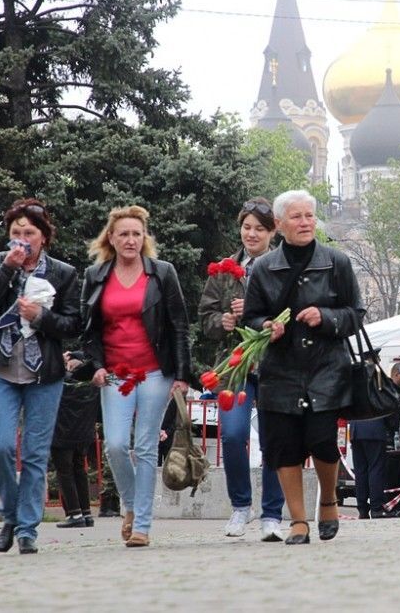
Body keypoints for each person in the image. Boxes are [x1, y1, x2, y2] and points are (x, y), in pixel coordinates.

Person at [242, 189, 364, 545]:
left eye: (309, 215)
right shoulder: (264, 267)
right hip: (280, 369)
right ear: (279, 225)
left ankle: (327, 499)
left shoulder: (336, 262)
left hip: (325, 367)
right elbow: (250, 317)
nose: (305, 222)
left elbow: (355, 314)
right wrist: (267, 326)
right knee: (283, 446)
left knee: (322, 441)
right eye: (296, 217)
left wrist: (325, 317)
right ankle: (297, 520)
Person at [0, 198, 82, 554]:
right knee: (2, 447)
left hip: (44, 375)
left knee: (35, 454)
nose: (22, 238)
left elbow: (72, 324)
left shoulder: (63, 273)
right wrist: (7, 270)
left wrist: (40, 317)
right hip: (1, 370)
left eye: (30, 233)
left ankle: (27, 530)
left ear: (43, 238)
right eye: (16, 232)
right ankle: (9, 514)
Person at [82, 205, 192, 548]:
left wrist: (182, 374)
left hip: (155, 371)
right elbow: (89, 331)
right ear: (111, 239)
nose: (130, 240)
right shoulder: (96, 275)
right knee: (115, 444)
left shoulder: (162, 273)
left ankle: (142, 524)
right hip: (116, 374)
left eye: (136, 233)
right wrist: (96, 365)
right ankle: (129, 506)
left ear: (144, 238)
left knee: (145, 447)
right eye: (124, 234)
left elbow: (179, 326)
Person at [198, 197, 285, 541]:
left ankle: (272, 514)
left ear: (272, 231)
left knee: (275, 440)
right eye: (247, 227)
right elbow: (205, 321)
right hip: (235, 366)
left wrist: (259, 314)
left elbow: (292, 310)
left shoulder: (282, 266)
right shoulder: (222, 271)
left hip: (276, 365)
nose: (251, 234)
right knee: (232, 434)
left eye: (259, 229)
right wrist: (224, 319)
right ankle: (240, 506)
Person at [51, 351, 99, 529]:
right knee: (80, 469)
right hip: (83, 434)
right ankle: (86, 513)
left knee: (64, 472)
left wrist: (58, 360)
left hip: (62, 434)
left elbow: (50, 373)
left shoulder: (63, 382)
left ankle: (74, 513)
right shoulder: (90, 385)